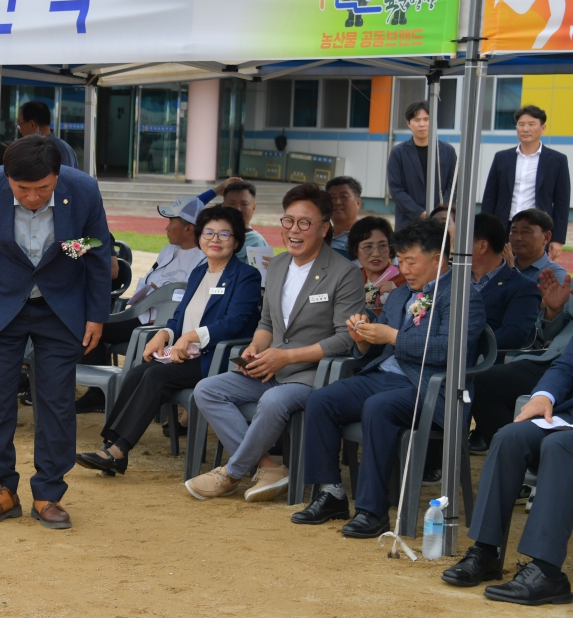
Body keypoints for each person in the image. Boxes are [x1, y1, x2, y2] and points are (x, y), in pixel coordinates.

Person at [293, 219, 486, 538]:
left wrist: (392, 335)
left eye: (411, 261)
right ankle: (332, 494)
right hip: (386, 376)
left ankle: (372, 510)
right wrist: (363, 336)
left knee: (378, 407)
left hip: (429, 387)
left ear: (438, 259)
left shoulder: (463, 296)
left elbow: (449, 351)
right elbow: (377, 349)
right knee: (322, 399)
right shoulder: (399, 297)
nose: (404, 269)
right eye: (401, 261)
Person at [0, 135, 110, 530]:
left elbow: (96, 246)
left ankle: (48, 493)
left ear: (58, 176)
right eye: (22, 189)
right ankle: (1, 490)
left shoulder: (83, 188)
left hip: (61, 307)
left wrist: (96, 314)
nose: (32, 198)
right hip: (0, 304)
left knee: (58, 403)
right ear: (6, 177)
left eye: (43, 188)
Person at [184, 185, 366, 501]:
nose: (294, 230)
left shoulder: (344, 272)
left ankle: (231, 473)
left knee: (272, 401)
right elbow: (267, 323)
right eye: (288, 221)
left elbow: (344, 338)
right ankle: (269, 467)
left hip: (315, 375)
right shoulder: (278, 265)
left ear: (324, 228)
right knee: (207, 389)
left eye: (304, 223)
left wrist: (286, 357)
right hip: (272, 366)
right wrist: (256, 347)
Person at [77, 206, 262, 476]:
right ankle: (111, 446)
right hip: (183, 353)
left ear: (236, 241)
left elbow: (235, 321)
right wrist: (164, 335)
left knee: (156, 376)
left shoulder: (245, 276)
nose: (215, 239)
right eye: (209, 232)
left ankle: (118, 451)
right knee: (136, 373)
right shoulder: (199, 273)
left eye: (224, 234)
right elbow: (179, 316)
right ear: (199, 237)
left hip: (214, 359)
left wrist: (192, 337)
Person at [440, 316, 573, 606]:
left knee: (561, 445)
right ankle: (486, 552)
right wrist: (543, 395)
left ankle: (547, 572)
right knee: (509, 437)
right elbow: (568, 366)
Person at [76, 195, 206, 412]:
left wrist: (161, 295)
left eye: (171, 222)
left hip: (160, 325)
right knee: (91, 325)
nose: (166, 227)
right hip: (140, 315)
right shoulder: (168, 251)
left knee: (93, 329)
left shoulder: (202, 259)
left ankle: (98, 394)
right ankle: (98, 391)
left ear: (189, 228)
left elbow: (185, 298)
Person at [468, 267, 573, 454]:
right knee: (485, 380)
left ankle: (542, 459)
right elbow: (547, 334)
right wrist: (553, 311)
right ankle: (514, 456)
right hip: (555, 361)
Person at [482, 105, 569, 261]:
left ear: (543, 128)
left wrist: (558, 239)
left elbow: (562, 202)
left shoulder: (557, 160)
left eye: (531, 124)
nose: (525, 128)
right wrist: (485, 232)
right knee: (500, 272)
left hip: (537, 229)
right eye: (521, 124)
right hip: (505, 226)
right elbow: (490, 197)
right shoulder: (502, 158)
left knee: (532, 273)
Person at [472, 213, 541, 350]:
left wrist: (460, 343)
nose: (454, 249)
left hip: (481, 363)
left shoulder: (522, 287)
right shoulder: (451, 277)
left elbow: (513, 336)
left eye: (459, 243)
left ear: (482, 246)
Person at [386, 101, 458, 228]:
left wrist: (439, 211)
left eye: (426, 119)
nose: (422, 124)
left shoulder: (448, 151)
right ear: (409, 123)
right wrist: (419, 213)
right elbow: (396, 188)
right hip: (408, 221)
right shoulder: (398, 153)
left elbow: (453, 186)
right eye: (417, 120)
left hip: (440, 221)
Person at [349, 216, 406, 316]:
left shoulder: (406, 280)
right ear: (355, 250)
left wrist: (398, 296)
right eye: (368, 247)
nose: (376, 253)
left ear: (391, 248)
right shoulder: (351, 280)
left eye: (382, 246)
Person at [196, 177, 269, 253]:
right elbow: (188, 210)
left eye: (244, 204)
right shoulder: (209, 236)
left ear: (253, 208)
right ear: (223, 206)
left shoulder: (256, 243)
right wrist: (216, 191)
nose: (237, 209)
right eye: (232, 204)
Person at [505, 208, 568, 285]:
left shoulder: (554, 274)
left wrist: (511, 270)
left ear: (546, 237)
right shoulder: (501, 265)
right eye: (514, 232)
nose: (517, 238)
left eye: (525, 232)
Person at [16, 100, 79, 169]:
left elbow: (66, 178)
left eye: (20, 124)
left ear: (32, 125)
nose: (20, 130)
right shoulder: (34, 149)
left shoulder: (60, 150)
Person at [325, 176, 363, 259]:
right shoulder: (320, 235)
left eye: (344, 196)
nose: (337, 202)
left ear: (358, 203)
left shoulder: (369, 236)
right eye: (332, 197)